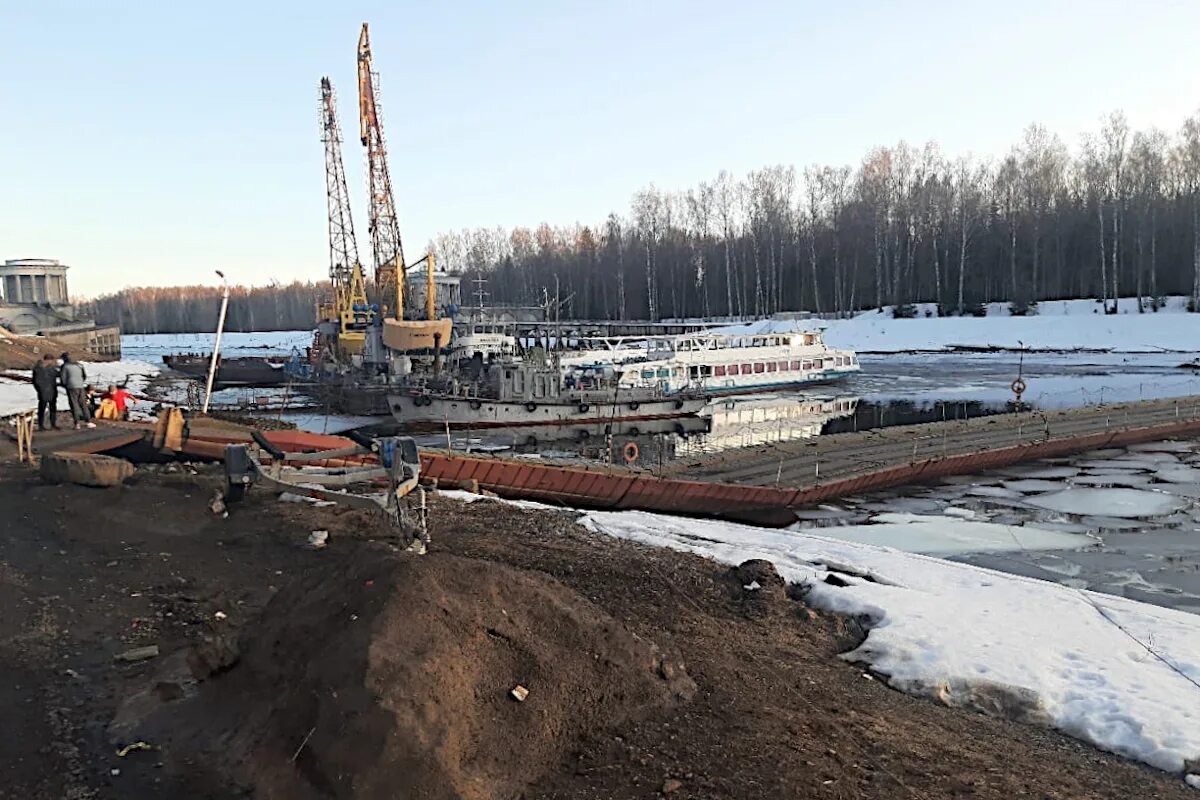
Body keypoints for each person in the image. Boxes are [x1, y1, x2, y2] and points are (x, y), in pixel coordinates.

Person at [59, 353, 95, 430]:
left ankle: (77, 423)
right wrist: (80, 382)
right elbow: (84, 376)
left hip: (71, 387)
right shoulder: (79, 365)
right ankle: (88, 421)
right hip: (80, 386)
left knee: (74, 404)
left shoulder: (64, 366)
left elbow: (63, 379)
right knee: (83, 404)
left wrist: (65, 385)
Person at [32, 354, 59, 431]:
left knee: (44, 409)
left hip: (46, 391)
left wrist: (39, 389)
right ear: (48, 360)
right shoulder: (50, 368)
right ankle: (51, 424)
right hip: (49, 391)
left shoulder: (37, 368)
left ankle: (43, 425)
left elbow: (35, 381)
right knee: (50, 409)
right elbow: (59, 374)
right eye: (51, 360)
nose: (52, 362)